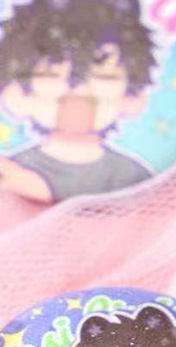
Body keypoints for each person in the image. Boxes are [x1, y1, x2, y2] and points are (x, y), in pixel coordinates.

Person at [0, 0, 157, 202]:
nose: (79, 93)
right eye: (50, 76)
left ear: (132, 97)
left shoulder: (133, 176)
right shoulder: (12, 171)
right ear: (17, 97)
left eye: (105, 77)